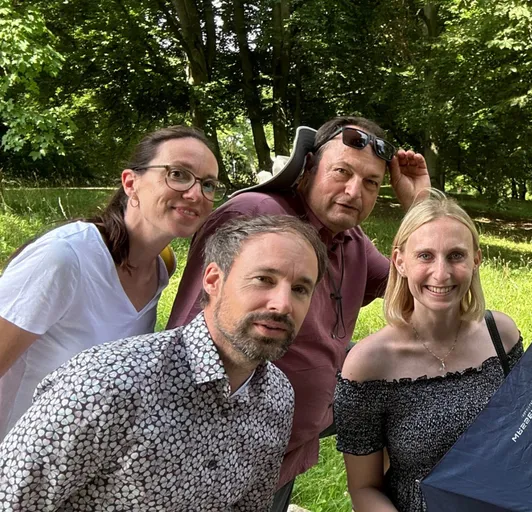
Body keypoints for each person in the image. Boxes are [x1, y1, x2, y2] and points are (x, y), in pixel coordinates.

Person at [166, 116, 431, 509]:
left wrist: (420, 206)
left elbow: (427, 281)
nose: (354, 191)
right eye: (341, 172)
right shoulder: (257, 215)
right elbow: (190, 338)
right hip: (221, 461)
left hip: (286, 452)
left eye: (371, 182)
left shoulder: (351, 241)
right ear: (307, 169)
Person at [0, 215, 328, 510]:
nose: (283, 304)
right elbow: (10, 497)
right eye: (264, 279)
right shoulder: (108, 382)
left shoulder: (278, 398)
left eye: (300, 289)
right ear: (213, 280)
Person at [0, 125, 220, 440]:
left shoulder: (161, 268)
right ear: (131, 183)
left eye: (208, 184)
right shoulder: (64, 259)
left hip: (75, 468)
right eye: (178, 174)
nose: (196, 193)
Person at [334, 189, 523, 512]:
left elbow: (526, 434)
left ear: (476, 259)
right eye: (425, 256)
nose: (441, 273)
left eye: (456, 256)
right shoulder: (368, 364)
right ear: (400, 261)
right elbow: (364, 489)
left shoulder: (501, 336)